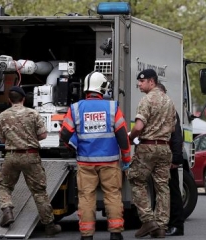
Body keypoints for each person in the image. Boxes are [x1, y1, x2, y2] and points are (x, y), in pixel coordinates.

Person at [60, 71, 131, 240]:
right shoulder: (113, 108)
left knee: (86, 197)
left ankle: (87, 235)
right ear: (102, 88)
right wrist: (126, 159)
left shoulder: (76, 108)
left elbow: (64, 134)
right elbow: (122, 136)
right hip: (110, 162)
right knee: (113, 195)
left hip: (85, 163)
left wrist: (70, 146)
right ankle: (115, 234)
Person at [0, 86, 61, 236]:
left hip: (11, 156)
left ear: (9, 100)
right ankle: (49, 225)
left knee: (4, 185)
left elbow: (1, 138)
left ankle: (7, 210)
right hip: (31, 156)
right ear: (23, 99)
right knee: (39, 191)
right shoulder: (33, 114)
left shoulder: (3, 116)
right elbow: (43, 135)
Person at [128, 69, 176, 238]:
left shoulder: (146, 100)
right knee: (162, 186)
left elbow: (139, 127)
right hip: (164, 148)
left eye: (142, 81)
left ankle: (148, 220)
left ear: (151, 82)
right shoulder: (169, 101)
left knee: (136, 179)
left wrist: (130, 137)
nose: (139, 84)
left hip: (147, 147)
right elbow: (173, 128)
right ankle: (161, 226)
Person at [157, 83, 185, 236]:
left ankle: (177, 225)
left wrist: (176, 158)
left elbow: (176, 137)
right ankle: (165, 224)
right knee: (163, 192)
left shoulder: (169, 109)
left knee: (172, 192)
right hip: (161, 157)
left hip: (168, 158)